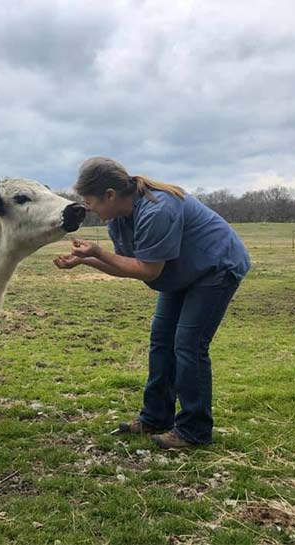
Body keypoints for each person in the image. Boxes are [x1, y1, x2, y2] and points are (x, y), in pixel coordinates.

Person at [54, 157, 250, 449]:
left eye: (90, 200)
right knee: (161, 340)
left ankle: (195, 430)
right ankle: (156, 417)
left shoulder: (158, 209)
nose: (89, 207)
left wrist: (97, 252)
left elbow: (148, 270)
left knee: (188, 345)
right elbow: (129, 265)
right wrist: (87, 260)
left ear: (110, 195)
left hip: (215, 267)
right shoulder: (119, 220)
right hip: (182, 273)